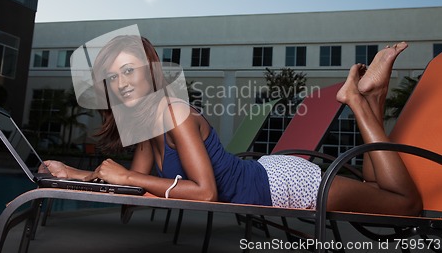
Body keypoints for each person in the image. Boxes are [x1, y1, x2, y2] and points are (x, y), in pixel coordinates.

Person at [43, 37, 422, 216]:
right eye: (112, 76)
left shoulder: (175, 112)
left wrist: (130, 180)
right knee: (375, 189)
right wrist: (72, 174)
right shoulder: (145, 130)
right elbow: (130, 195)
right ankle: (373, 94)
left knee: (405, 206)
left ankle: (356, 99)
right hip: (266, 175)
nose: (121, 82)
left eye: (129, 71)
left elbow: (205, 193)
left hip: (283, 186)